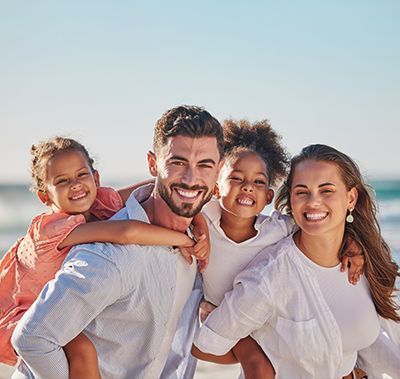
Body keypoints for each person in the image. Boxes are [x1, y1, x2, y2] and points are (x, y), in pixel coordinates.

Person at [10, 105, 224, 379]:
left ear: (218, 170)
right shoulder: (110, 257)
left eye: (205, 165)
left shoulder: (198, 234)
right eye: (177, 162)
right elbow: (32, 339)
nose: (191, 178)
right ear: (153, 163)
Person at [194, 144, 400, 379]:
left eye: (326, 190)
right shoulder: (267, 278)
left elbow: (380, 340)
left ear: (351, 198)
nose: (313, 201)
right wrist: (259, 358)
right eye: (302, 191)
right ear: (291, 199)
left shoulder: (367, 262)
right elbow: (204, 345)